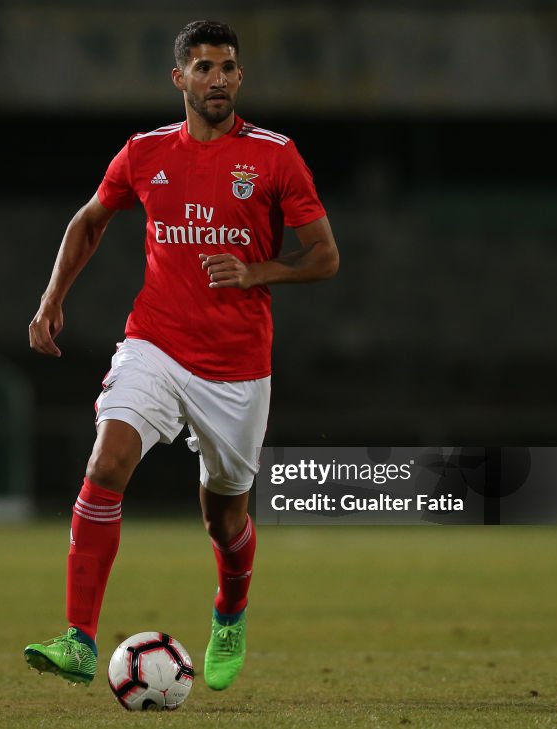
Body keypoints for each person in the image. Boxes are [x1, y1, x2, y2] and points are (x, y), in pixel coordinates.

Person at [24, 19, 339, 692]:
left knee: (225, 519)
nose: (217, 78)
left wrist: (258, 273)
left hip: (237, 367)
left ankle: (230, 612)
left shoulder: (276, 156)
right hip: (156, 343)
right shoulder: (143, 153)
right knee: (107, 460)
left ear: (239, 77)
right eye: (203, 67)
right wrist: (52, 296)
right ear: (180, 79)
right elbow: (90, 220)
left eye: (228, 67)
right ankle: (79, 639)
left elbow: (325, 256)